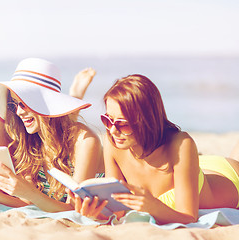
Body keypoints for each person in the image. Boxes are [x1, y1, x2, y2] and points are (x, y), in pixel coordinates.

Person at [71, 74, 239, 224]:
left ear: (145, 120)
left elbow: (189, 217)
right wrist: (93, 212)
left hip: (229, 175)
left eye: (123, 123)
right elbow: (118, 211)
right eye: (108, 120)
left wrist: (152, 206)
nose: (113, 130)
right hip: (194, 166)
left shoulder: (181, 144)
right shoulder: (113, 143)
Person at [0, 58, 104, 212]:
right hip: (51, 131)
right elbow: (27, 203)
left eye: (23, 103)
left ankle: (76, 94)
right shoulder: (30, 141)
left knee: (62, 127)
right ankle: (75, 95)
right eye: (13, 104)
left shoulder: (85, 140)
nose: (18, 112)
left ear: (43, 102)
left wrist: (29, 193)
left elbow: (76, 210)